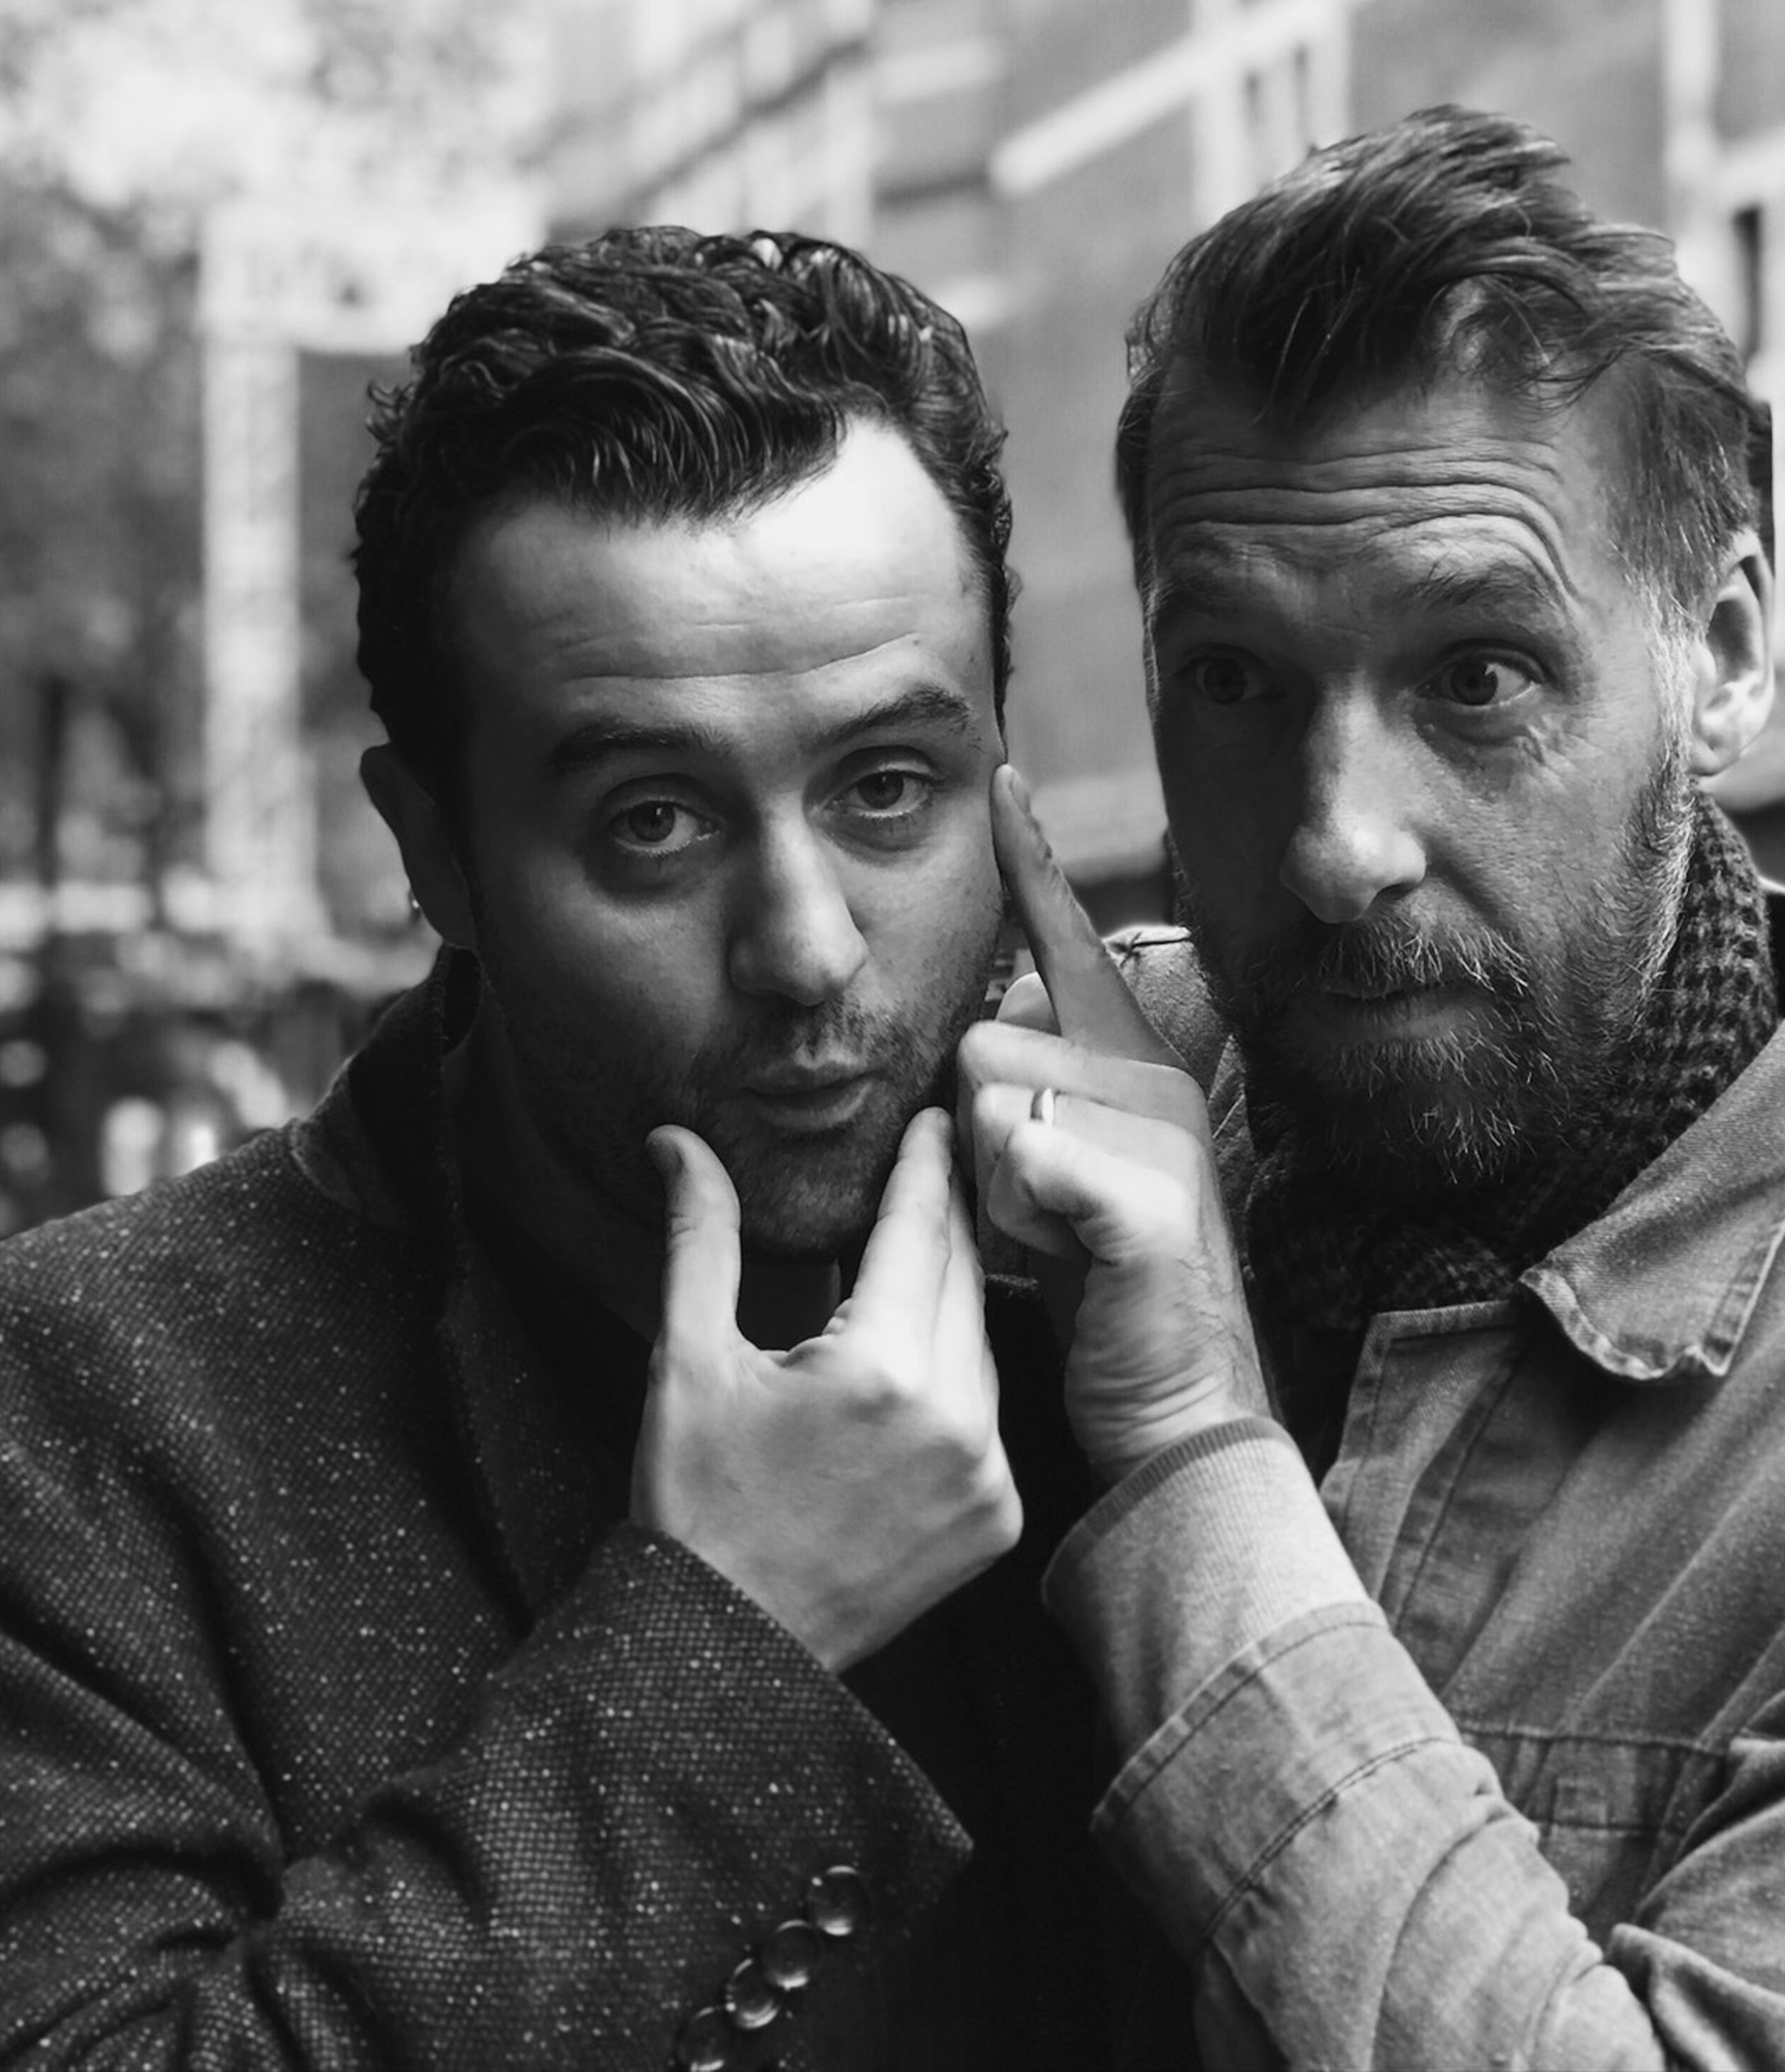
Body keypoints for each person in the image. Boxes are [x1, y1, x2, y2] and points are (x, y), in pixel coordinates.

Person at [961, 106, 1785, 2068]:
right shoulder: (1045, 1135)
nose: (1338, 844)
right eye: (1237, 681)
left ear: (1725, 655)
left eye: (1478, 676)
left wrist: (1186, 1452)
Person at [0, 230, 1109, 2070]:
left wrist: (1204, 1443)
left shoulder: (1169, 1289)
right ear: (436, 853)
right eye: (654, 822)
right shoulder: (85, 1405)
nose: (808, 947)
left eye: (887, 788)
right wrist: (725, 1650)